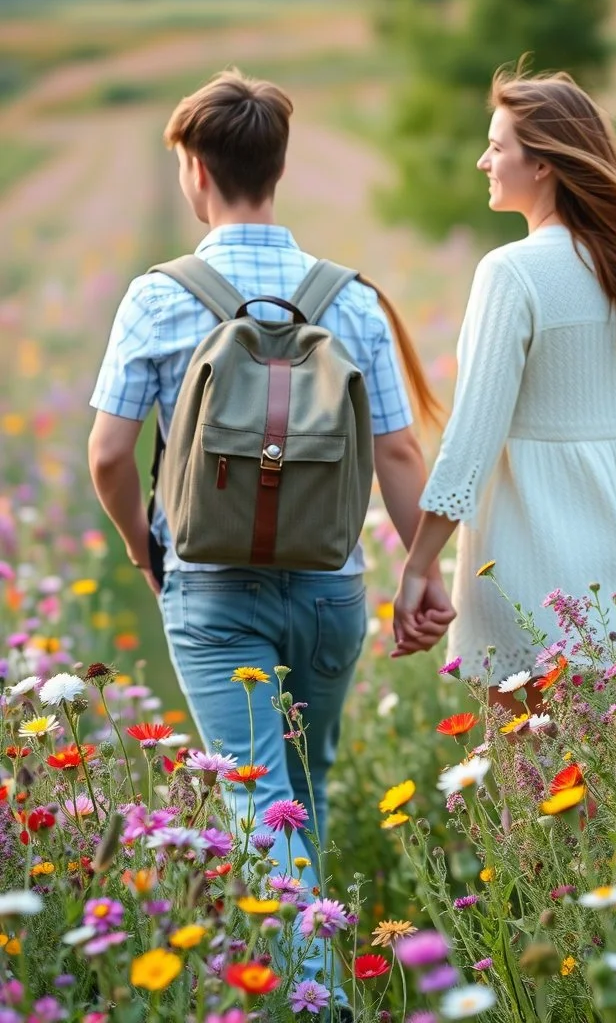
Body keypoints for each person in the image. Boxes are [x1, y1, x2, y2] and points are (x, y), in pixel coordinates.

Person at [87, 69, 454, 997]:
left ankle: (313, 1000)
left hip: (210, 591)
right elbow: (402, 455)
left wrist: (147, 550)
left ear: (195, 171)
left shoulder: (160, 297)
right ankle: (316, 967)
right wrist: (421, 571)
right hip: (329, 589)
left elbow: (108, 456)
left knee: (257, 800)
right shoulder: (349, 298)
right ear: (277, 167)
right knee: (304, 788)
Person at [392, 66, 616, 708]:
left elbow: (471, 443)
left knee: (541, 784)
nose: (483, 160)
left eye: (498, 146)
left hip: (530, 562)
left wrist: (418, 564)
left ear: (542, 164)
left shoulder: (512, 272)